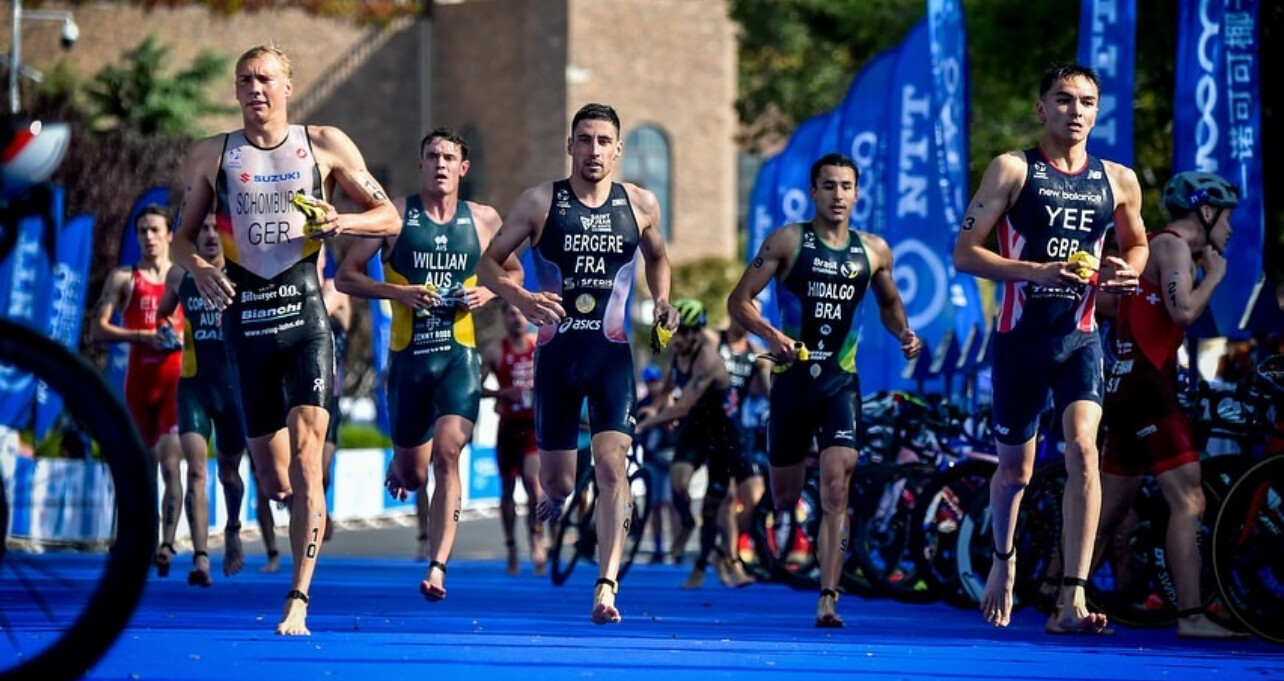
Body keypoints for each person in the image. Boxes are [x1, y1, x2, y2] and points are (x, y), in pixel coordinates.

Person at [171, 45, 401, 636]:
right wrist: (200, 267)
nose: (255, 88)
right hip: (246, 328)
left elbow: (389, 217)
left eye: (266, 79)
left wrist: (342, 222)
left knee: (306, 462)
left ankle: (298, 597)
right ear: (235, 89)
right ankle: (292, 522)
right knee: (274, 481)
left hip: (305, 321)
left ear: (288, 86)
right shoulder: (213, 154)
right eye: (245, 79)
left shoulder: (324, 144)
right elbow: (180, 240)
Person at [952, 63, 1147, 635]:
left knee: (1085, 451)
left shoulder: (1119, 179)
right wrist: (1035, 270)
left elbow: (1137, 245)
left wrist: (1128, 271)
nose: (1075, 111)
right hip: (1021, 340)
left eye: (1086, 101)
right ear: (1042, 109)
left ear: (1097, 111)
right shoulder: (1013, 169)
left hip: (1080, 338)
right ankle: (1003, 560)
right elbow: (964, 253)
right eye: (1063, 100)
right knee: (1016, 472)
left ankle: (1071, 599)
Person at [477, 102, 677, 624]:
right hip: (557, 358)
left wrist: (662, 301)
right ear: (570, 145)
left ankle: (606, 585)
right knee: (559, 484)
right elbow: (488, 264)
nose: (593, 150)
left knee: (613, 466)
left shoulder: (640, 204)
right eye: (584, 139)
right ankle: (561, 496)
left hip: (610, 355)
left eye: (603, 141)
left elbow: (658, 256)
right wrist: (521, 299)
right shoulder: (540, 201)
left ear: (618, 150)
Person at [728, 152, 923, 627]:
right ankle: (795, 517)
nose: (838, 195)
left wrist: (903, 333)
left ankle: (828, 597)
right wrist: (773, 336)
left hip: (839, 383)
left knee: (838, 487)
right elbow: (739, 301)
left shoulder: (873, 250)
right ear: (813, 192)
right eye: (829, 186)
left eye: (846, 186)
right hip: (792, 385)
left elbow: (890, 304)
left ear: (857, 194)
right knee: (784, 497)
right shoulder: (788, 240)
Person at [336, 126, 521, 601]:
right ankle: (401, 466)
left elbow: (514, 272)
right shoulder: (394, 216)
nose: (440, 164)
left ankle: (437, 566)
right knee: (415, 475)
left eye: (449, 158)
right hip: (408, 362)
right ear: (420, 164)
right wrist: (397, 292)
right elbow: (346, 277)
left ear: (463, 168)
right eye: (433, 156)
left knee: (448, 453)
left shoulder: (484, 219)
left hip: (458, 358)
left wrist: (486, 292)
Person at [1095, 171, 1244, 639]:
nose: (1231, 229)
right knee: (1189, 499)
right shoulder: (1174, 245)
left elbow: (1120, 307)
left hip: (1126, 382)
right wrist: (1214, 276)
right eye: (1227, 218)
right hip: (1149, 386)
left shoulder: (1153, 245)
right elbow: (1183, 311)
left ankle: (1059, 594)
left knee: (1106, 510)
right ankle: (1192, 615)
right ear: (1206, 211)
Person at [158, 213, 281, 584]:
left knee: (229, 474)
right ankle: (201, 558)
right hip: (193, 387)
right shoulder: (179, 276)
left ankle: (232, 527)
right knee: (196, 471)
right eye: (204, 229)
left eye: (216, 228)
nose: (210, 235)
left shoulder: (243, 274)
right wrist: (166, 333)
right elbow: (163, 316)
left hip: (234, 392)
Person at [90, 205, 186, 578]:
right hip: (138, 384)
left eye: (155, 230)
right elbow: (97, 330)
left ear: (169, 235)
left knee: (171, 464)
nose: (148, 237)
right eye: (142, 230)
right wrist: (142, 336)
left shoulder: (183, 277)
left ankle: (166, 544)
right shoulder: (123, 278)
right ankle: (138, 538)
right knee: (141, 467)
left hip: (174, 384)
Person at [635, 299, 755, 589]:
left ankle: (704, 565)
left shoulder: (708, 359)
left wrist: (644, 425)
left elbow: (681, 407)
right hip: (696, 428)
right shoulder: (677, 354)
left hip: (724, 433)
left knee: (715, 507)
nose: (680, 339)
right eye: (678, 332)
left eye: (688, 332)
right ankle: (687, 522)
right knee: (678, 481)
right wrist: (653, 408)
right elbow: (668, 388)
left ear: (699, 333)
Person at [479, 300, 547, 576]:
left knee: (533, 485)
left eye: (520, 314)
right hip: (508, 428)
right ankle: (511, 547)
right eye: (511, 314)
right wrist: (500, 394)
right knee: (507, 491)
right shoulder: (495, 350)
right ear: (504, 318)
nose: (517, 319)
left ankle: (536, 539)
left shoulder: (538, 346)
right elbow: (474, 387)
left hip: (533, 428)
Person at [319, 244, 351, 542]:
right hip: (294, 392)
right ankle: (312, 516)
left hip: (330, 395)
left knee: (322, 470)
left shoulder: (336, 290)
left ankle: (319, 508)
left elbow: (315, 312)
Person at [637, 364, 678, 564]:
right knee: (654, 506)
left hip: (669, 456)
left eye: (656, 382)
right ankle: (658, 547)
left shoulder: (670, 402)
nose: (653, 386)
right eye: (649, 382)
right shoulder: (643, 404)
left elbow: (674, 426)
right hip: (652, 459)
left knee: (672, 505)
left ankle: (677, 547)